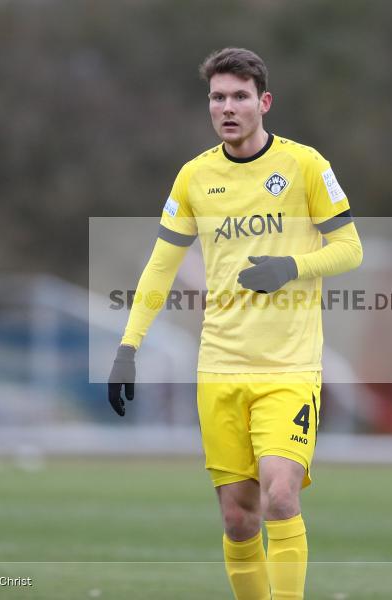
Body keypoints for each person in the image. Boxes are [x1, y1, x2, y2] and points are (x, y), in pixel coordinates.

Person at [107, 47, 362, 600]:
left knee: (280, 496)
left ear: (263, 102)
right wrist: (129, 347)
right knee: (239, 519)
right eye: (218, 97)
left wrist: (291, 266)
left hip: (289, 369)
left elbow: (349, 248)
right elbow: (161, 266)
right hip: (220, 369)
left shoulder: (305, 166)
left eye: (240, 96)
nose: (228, 107)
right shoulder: (194, 177)